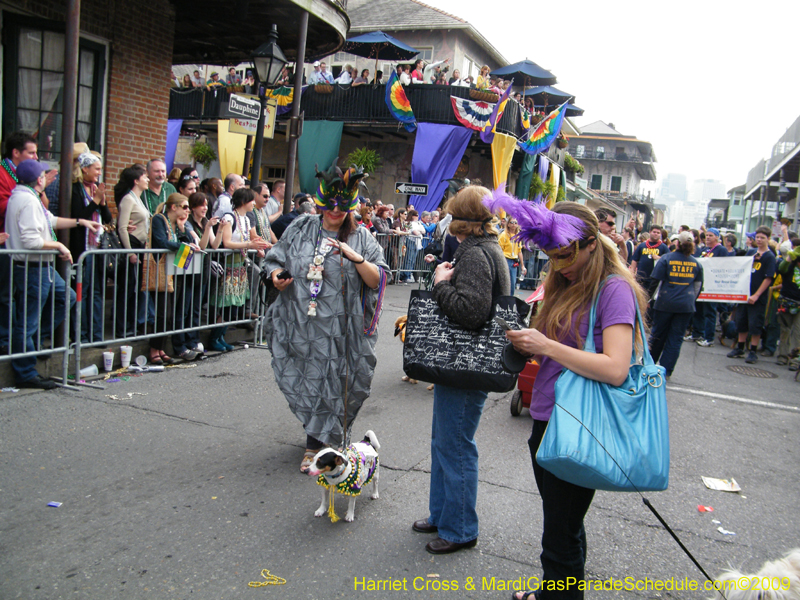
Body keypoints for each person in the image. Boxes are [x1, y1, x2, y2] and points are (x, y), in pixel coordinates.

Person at [503, 201, 647, 600]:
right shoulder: (564, 281)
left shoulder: (613, 288)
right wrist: (528, 342)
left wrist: (546, 344)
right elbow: (554, 347)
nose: (558, 263)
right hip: (549, 418)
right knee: (563, 525)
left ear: (590, 244)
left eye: (565, 254)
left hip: (580, 424)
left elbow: (616, 367)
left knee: (560, 534)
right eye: (550, 255)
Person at [264, 162, 389, 472]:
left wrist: (355, 257)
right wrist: (276, 275)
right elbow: (275, 258)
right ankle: (317, 440)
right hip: (302, 325)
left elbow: (378, 280)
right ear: (320, 203)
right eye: (329, 205)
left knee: (339, 382)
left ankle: (323, 441)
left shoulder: (362, 238)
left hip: (344, 331)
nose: (335, 212)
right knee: (311, 381)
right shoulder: (301, 227)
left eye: (342, 206)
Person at [410, 185, 510, 555]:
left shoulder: (475, 254)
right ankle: (443, 514)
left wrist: (439, 285)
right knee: (445, 443)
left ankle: (460, 528)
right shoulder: (488, 249)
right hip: (466, 363)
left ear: (461, 221)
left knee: (454, 446)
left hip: (465, 365)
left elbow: (471, 311)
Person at [6, 160, 102, 389]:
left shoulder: (29, 197)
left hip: (41, 267)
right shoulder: (27, 200)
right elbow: (31, 241)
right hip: (32, 267)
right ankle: (25, 371)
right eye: (43, 175)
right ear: (39, 179)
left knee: (67, 297)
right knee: (27, 322)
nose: (46, 179)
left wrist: (80, 222)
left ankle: (34, 342)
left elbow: (51, 221)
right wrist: (59, 246)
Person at [208, 188, 269, 351]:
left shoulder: (246, 219)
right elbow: (227, 243)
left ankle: (221, 336)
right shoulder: (229, 217)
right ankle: (215, 337)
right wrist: (250, 245)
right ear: (243, 202)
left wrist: (263, 245)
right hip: (229, 266)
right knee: (226, 305)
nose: (254, 204)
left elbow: (253, 237)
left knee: (234, 307)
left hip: (240, 266)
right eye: (251, 201)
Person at [150, 193, 202, 363]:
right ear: (174, 207)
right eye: (185, 207)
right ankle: (154, 348)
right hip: (162, 270)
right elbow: (161, 242)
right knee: (162, 312)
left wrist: (182, 231)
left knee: (171, 314)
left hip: (176, 271)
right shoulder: (159, 219)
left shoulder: (178, 224)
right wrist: (183, 246)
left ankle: (161, 347)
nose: (188, 211)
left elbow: (187, 242)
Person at [70, 151, 112, 343]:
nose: (99, 173)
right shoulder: (75, 189)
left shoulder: (96, 188)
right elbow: (79, 216)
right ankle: (81, 334)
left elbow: (109, 219)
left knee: (96, 292)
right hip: (82, 249)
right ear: (84, 169)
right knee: (82, 293)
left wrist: (102, 202)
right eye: (96, 169)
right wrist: (95, 201)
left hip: (97, 248)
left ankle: (96, 334)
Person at [648, 231, 703, 379]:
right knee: (676, 338)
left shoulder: (666, 259)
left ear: (677, 243)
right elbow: (697, 287)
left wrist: (647, 299)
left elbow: (654, 281)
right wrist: (691, 300)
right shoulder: (696, 263)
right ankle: (666, 370)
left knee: (658, 335)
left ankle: (650, 365)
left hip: (666, 302)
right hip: (686, 305)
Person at [727, 226, 776, 363]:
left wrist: (757, 295)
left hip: (757, 297)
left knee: (755, 324)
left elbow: (768, 278)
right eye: (758, 237)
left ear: (768, 239)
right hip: (744, 294)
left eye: (762, 238)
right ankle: (740, 348)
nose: (759, 240)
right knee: (741, 321)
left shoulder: (769, 256)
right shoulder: (752, 253)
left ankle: (753, 351)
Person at [114, 164, 152, 338]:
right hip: (133, 245)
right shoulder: (128, 199)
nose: (147, 179)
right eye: (145, 177)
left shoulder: (139, 198)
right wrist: (129, 252)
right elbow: (122, 228)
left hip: (141, 246)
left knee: (136, 288)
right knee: (128, 288)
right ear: (136, 181)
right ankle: (122, 327)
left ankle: (132, 324)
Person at [695, 227, 728, 348]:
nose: (708, 237)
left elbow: (723, 266)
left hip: (712, 285)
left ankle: (709, 338)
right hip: (702, 284)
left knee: (710, 311)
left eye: (710, 235)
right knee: (698, 310)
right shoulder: (705, 249)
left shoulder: (721, 250)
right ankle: (697, 334)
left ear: (716, 237)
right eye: (706, 235)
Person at [776, 242, 800, 370]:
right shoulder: (790, 267)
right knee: (785, 330)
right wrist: (791, 257)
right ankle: (782, 356)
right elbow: (781, 268)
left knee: (798, 332)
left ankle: (795, 360)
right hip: (786, 302)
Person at [498, 217, 526, 295]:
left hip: (514, 261)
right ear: (508, 224)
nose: (514, 224)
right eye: (512, 222)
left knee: (512, 284)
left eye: (515, 223)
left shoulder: (518, 236)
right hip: (505, 259)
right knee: (504, 283)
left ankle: (510, 302)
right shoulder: (503, 235)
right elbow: (499, 250)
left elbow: (519, 251)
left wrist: (522, 266)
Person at [398, 209, 424, 284]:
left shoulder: (418, 223)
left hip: (416, 243)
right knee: (408, 259)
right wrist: (419, 231)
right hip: (410, 241)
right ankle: (406, 275)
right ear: (412, 216)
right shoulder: (410, 223)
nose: (417, 216)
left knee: (413, 259)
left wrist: (419, 231)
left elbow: (424, 231)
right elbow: (415, 232)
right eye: (416, 215)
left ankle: (408, 274)